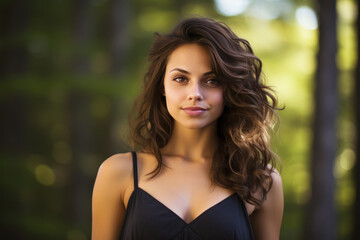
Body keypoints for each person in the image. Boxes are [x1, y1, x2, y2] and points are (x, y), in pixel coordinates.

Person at [92, 17, 283, 240]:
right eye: (181, 79)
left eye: (212, 80)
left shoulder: (260, 181)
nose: (195, 93)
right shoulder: (118, 172)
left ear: (230, 89)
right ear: (162, 86)